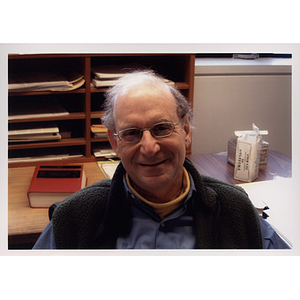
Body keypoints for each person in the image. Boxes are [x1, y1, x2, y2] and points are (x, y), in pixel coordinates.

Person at [33, 70, 290, 249]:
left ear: (186, 130)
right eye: (132, 133)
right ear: (114, 143)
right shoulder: (76, 216)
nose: (149, 147)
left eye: (161, 128)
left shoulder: (234, 209)